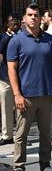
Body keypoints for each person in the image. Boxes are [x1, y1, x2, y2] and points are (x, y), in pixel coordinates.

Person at [7, 3, 52, 171]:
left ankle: (45, 163)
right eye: (29, 14)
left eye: (36, 15)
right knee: (21, 135)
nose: (33, 17)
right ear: (24, 18)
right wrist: (17, 94)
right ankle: (19, 167)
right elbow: (12, 69)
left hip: (47, 95)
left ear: (41, 19)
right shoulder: (16, 40)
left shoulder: (50, 40)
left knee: (46, 133)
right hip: (25, 97)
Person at [0, 15, 20, 146]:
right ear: (7, 24)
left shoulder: (21, 36)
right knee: (6, 107)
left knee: (21, 108)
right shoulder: (3, 37)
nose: (15, 23)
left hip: (19, 77)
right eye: (12, 21)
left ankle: (20, 135)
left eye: (16, 21)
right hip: (5, 77)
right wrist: (9, 34)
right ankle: (7, 135)